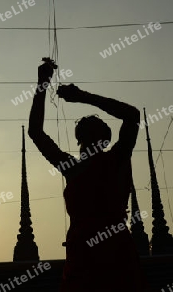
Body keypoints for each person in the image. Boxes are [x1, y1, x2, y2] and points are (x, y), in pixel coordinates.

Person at [28, 60, 149, 291]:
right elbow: (35, 131)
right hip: (91, 255)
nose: (86, 141)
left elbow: (132, 115)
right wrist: (43, 83)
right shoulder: (92, 164)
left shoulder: (110, 160)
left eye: (90, 133)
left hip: (109, 254)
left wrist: (81, 96)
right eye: (84, 134)